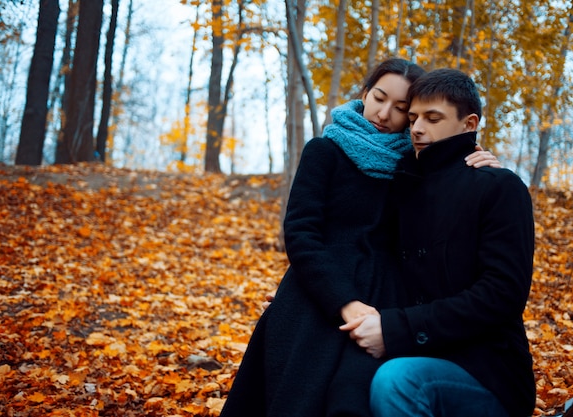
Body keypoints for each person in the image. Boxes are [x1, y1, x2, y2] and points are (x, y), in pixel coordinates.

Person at [219, 59, 501, 417]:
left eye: (400, 109)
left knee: (353, 399)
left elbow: (442, 212)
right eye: (379, 98)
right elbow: (301, 233)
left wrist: (484, 163)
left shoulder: (414, 167)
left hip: (384, 303)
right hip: (319, 296)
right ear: (364, 94)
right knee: (296, 398)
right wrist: (344, 302)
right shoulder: (324, 151)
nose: (384, 114)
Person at [340, 68, 535, 417]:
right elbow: (361, 253)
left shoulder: (498, 187)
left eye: (432, 118)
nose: (416, 128)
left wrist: (396, 328)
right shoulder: (401, 185)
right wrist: (303, 299)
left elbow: (501, 294)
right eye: (412, 117)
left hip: (486, 373)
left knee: (397, 380)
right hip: (410, 353)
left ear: (468, 123)